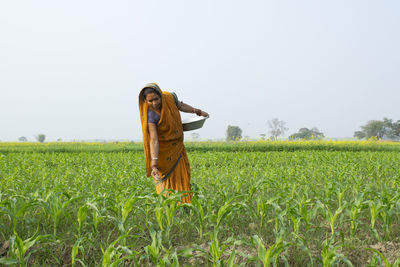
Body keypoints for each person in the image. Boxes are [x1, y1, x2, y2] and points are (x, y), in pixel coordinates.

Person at [138, 83, 209, 203]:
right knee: (166, 183)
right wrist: (154, 164)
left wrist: (197, 111)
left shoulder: (170, 98)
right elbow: (154, 139)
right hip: (164, 153)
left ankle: (185, 204)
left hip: (177, 147)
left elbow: (181, 106)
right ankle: (168, 207)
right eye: (150, 101)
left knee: (182, 178)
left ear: (161, 96)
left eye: (156, 99)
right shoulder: (151, 115)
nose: (154, 103)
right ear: (145, 101)